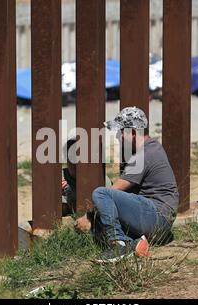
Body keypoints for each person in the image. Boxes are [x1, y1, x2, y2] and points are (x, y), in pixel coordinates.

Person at [74, 106, 179, 263]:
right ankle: (136, 243)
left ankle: (119, 245)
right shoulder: (152, 148)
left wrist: (89, 216)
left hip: (157, 217)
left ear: (134, 132)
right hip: (160, 224)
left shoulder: (143, 156)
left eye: (121, 131)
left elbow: (113, 191)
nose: (118, 136)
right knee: (103, 224)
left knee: (100, 193)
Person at [62, 138, 112, 216]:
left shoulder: (102, 180)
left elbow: (107, 207)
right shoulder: (60, 177)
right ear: (66, 160)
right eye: (73, 158)